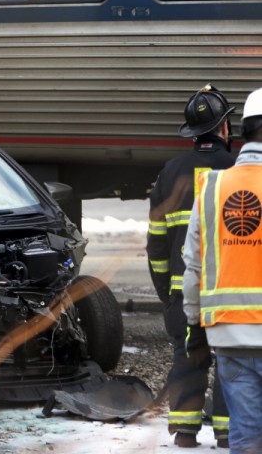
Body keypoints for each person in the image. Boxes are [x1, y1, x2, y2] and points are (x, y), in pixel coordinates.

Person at [147, 84, 234, 448]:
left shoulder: (171, 172)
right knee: (232, 362)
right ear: (225, 128)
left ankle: (184, 432)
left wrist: (167, 292)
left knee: (186, 357)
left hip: (184, 293)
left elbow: (156, 244)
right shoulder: (236, 168)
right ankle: (229, 432)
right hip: (230, 293)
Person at [183, 86, 262, 454]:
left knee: (246, 435)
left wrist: (194, 322)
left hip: (228, 335)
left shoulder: (211, 187)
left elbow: (193, 266)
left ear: (241, 131)